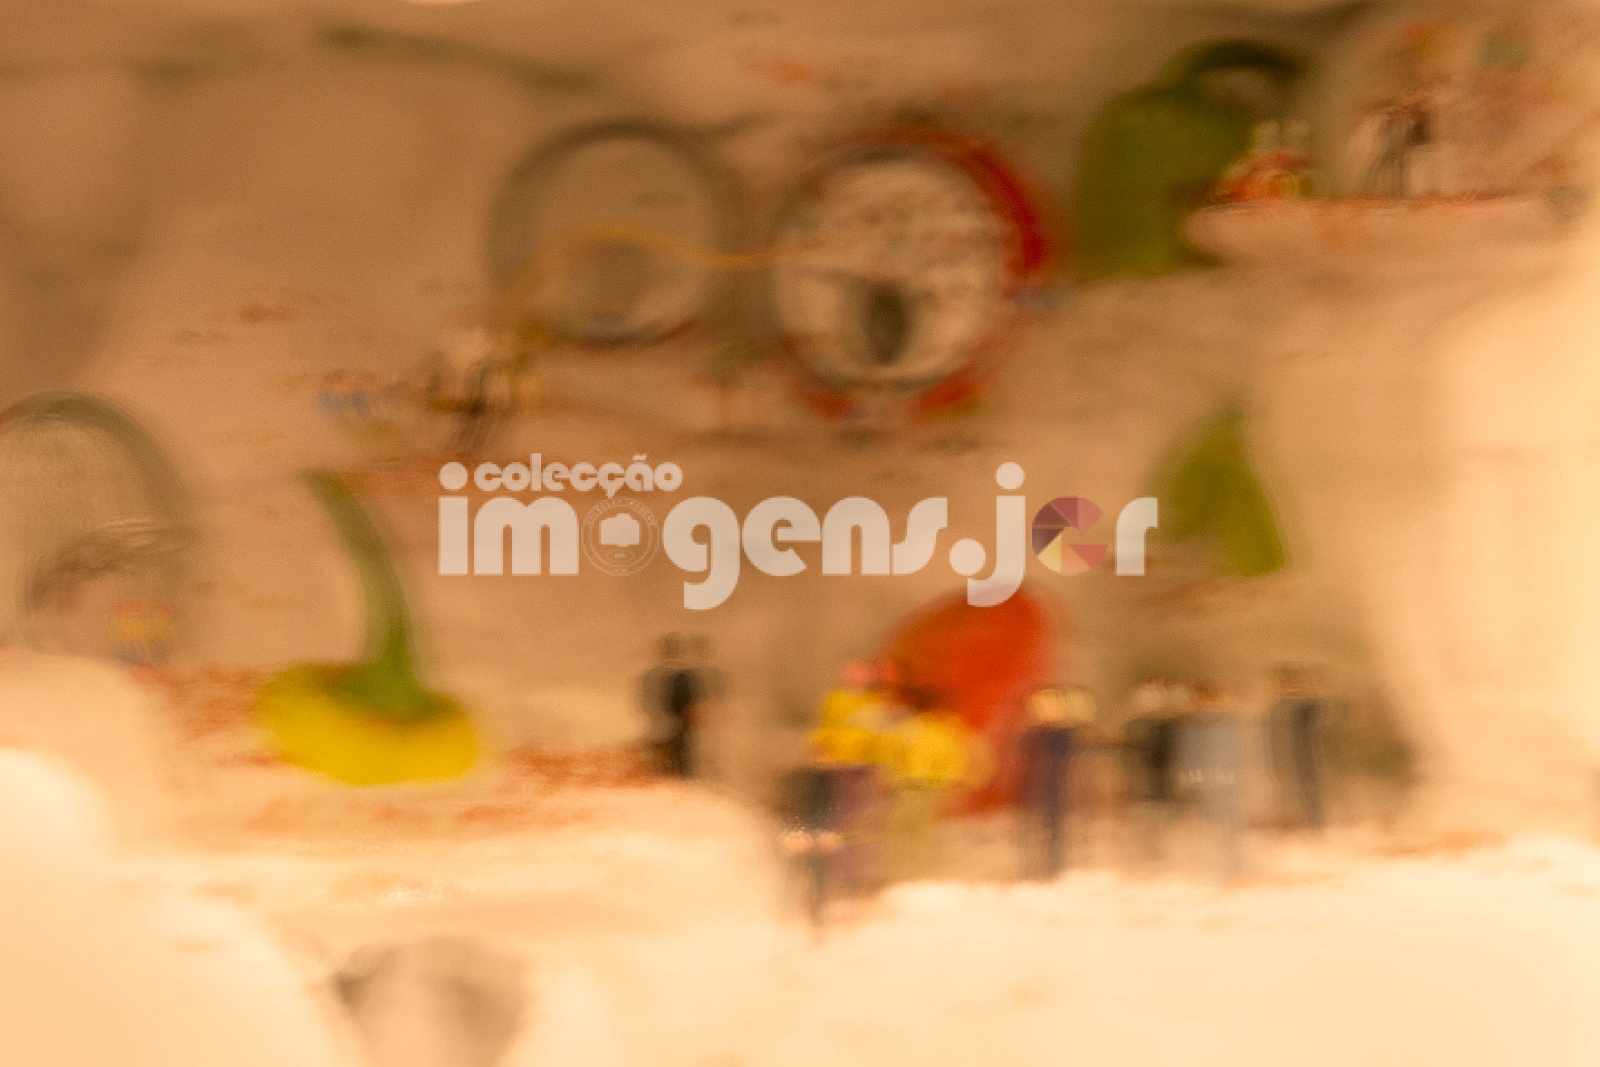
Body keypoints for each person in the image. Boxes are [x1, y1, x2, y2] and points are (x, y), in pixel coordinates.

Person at [880, 687, 978, 879]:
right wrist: (955, 780)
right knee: (926, 832)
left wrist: (889, 779)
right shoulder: (944, 730)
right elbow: (955, 757)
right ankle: (922, 870)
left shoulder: (908, 729)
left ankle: (905, 871)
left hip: (910, 786)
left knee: (901, 830)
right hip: (938, 787)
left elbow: (893, 757)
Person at [1174, 681, 1247, 883]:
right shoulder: (1193, 725)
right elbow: (1189, 752)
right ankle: (1211, 867)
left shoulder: (1226, 722)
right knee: (1209, 826)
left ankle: (1232, 867)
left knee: (1228, 825)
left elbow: (1235, 751)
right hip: (1207, 781)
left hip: (1224, 780)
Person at [1015, 686, 1086, 880]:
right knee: (1031, 831)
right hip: (1032, 790)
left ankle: (1055, 869)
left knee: (1057, 833)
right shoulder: (1030, 733)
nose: (1044, 708)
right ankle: (1030, 870)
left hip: (1057, 789)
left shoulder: (1065, 734)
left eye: (1050, 703)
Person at [1122, 678, 1180, 866]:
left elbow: (1173, 753)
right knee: (1142, 819)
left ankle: (1160, 855)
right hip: (1140, 782)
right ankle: (1145, 856)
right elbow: (1128, 755)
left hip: (1161, 782)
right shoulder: (1133, 726)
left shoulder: (1168, 726)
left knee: (1162, 819)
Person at [1268, 664, 1329, 832]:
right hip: (1286, 756)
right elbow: (1273, 736)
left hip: (1306, 756)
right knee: (1287, 791)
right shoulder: (1277, 708)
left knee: (1310, 789)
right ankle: (1296, 824)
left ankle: (1315, 824)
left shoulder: (1307, 707)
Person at [640, 634, 704, 778]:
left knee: (669, 758)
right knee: (676, 759)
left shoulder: (654, 675)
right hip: (671, 723)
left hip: (670, 724)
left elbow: (644, 702)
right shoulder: (683, 675)